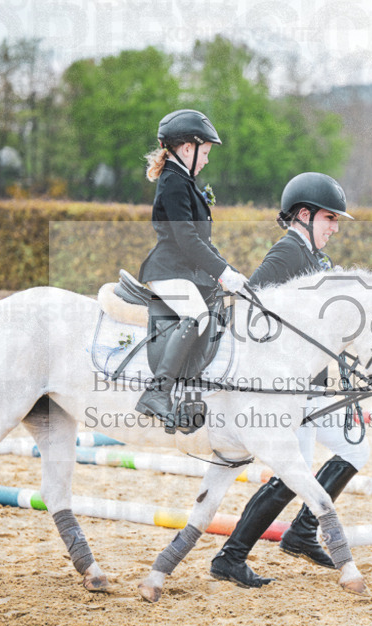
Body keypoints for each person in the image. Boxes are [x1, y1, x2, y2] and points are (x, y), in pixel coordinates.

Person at [210, 172, 369, 588]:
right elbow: (250, 307)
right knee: (290, 468)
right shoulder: (287, 252)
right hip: (284, 390)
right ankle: (231, 556)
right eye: (330, 218)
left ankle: (300, 532)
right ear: (304, 214)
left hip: (312, 385)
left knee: (356, 448)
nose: (335, 227)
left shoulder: (318, 260)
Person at [135, 109, 248, 425]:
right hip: (168, 269)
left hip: (185, 271)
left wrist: (230, 271)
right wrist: (222, 273)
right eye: (206, 153)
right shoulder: (173, 182)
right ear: (188, 148)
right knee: (196, 315)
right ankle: (157, 393)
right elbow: (186, 239)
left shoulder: (184, 180)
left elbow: (203, 243)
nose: (207, 160)